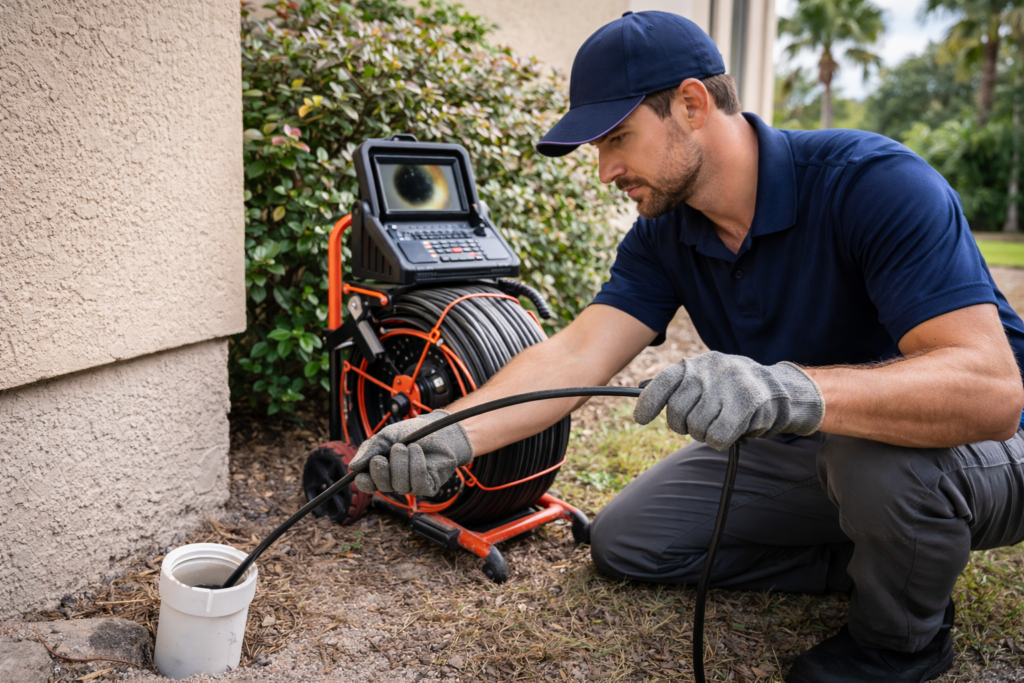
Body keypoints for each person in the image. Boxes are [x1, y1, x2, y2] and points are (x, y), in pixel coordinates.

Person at [347, 11, 1024, 682]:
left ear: (692, 104)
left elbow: (990, 392)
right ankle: (877, 559)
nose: (606, 169)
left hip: (983, 447)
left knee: (872, 462)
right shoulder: (666, 233)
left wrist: (791, 388)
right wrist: (446, 430)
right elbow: (575, 355)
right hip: (825, 447)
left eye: (618, 138)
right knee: (629, 540)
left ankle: (903, 641)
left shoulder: (872, 184)